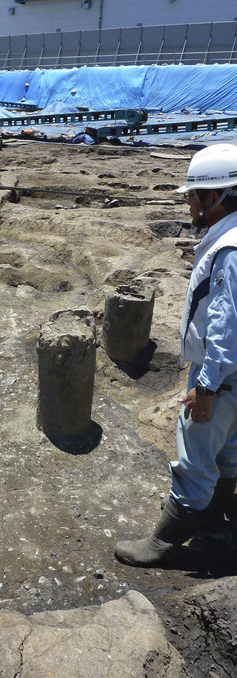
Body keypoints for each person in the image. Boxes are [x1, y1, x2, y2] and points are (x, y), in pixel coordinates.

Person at [114, 143, 237, 567]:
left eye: (190, 196)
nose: (187, 204)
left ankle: (165, 544)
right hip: (234, 376)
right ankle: (217, 528)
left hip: (220, 377)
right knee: (228, 453)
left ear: (214, 197)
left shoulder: (229, 250)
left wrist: (206, 386)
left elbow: (227, 326)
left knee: (196, 458)